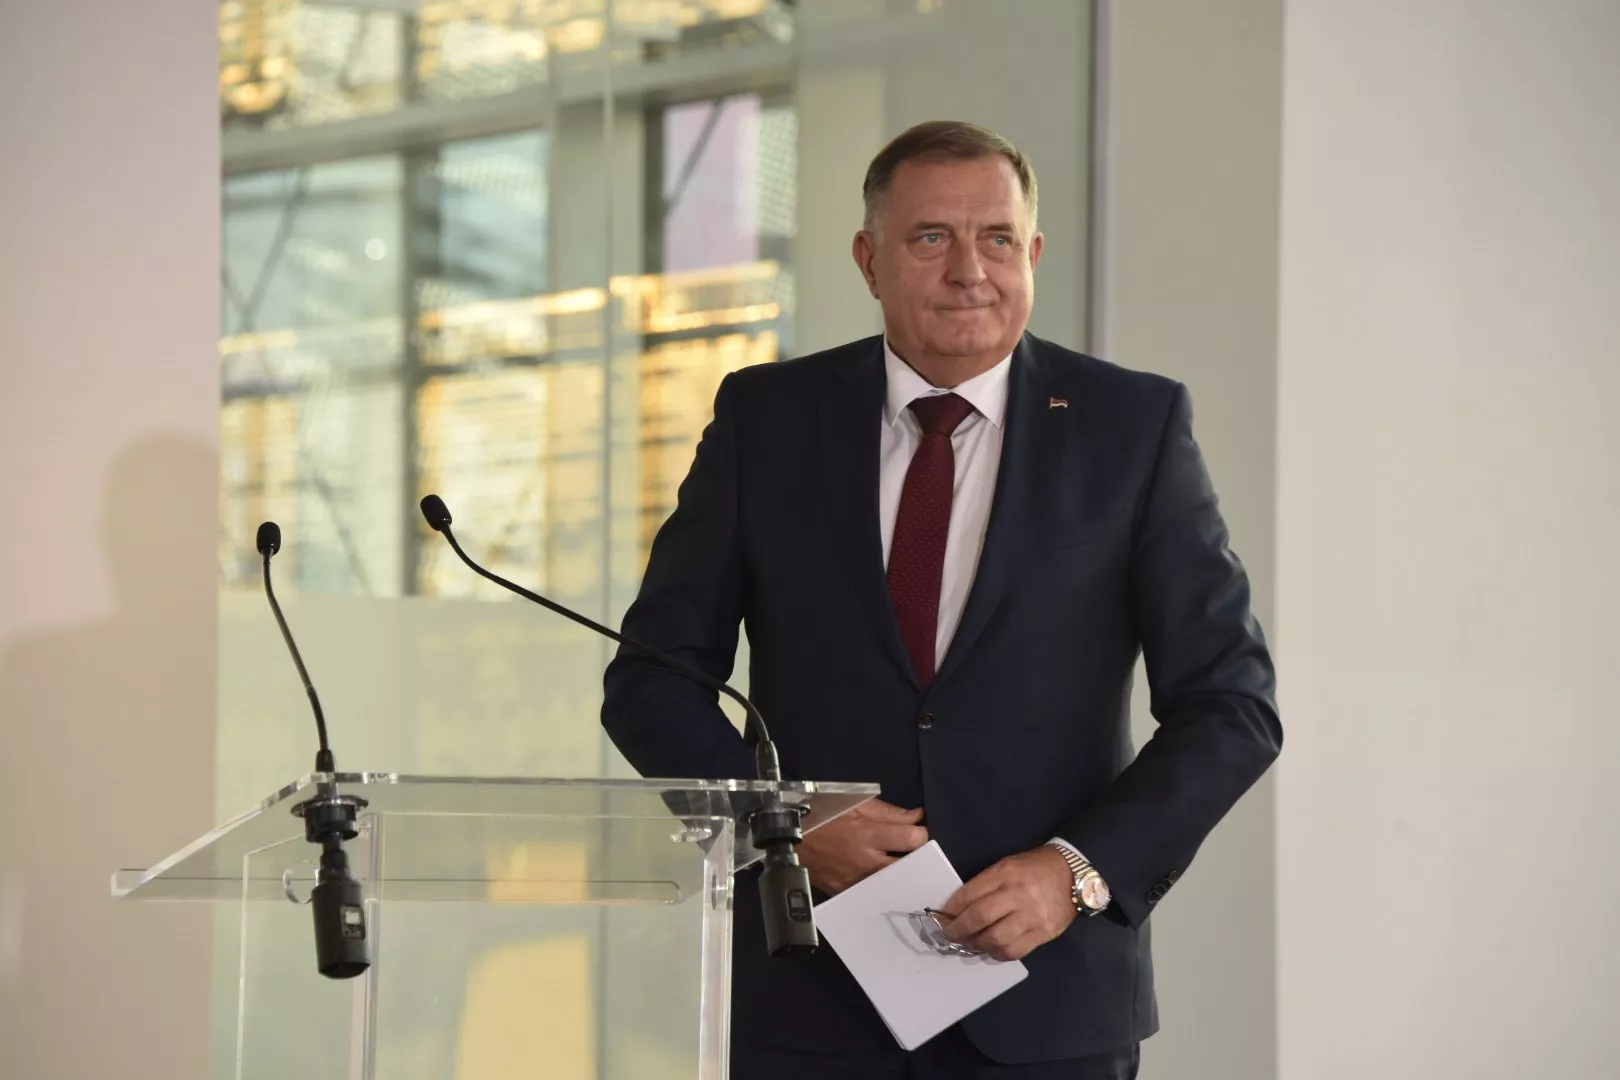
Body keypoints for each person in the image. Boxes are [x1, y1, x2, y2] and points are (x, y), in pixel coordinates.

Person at [602, 120, 1281, 1079]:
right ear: (868, 259)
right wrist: (783, 823)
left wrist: (1077, 872)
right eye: (931, 238)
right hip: (810, 997)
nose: (970, 270)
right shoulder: (767, 421)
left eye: (997, 238)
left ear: (1032, 254)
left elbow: (1232, 708)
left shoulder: (1132, 428)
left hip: (1049, 1003)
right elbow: (651, 684)